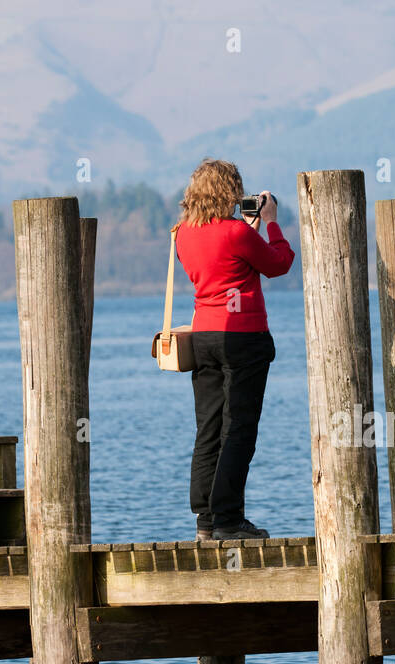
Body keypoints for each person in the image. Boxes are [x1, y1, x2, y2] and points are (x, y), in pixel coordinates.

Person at [173, 158, 295, 541]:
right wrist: (270, 223)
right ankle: (229, 518)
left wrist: (248, 232)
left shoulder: (182, 234)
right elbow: (279, 263)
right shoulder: (236, 233)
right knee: (239, 429)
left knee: (208, 428)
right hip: (243, 337)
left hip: (204, 336)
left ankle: (206, 520)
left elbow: (217, 265)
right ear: (229, 192)